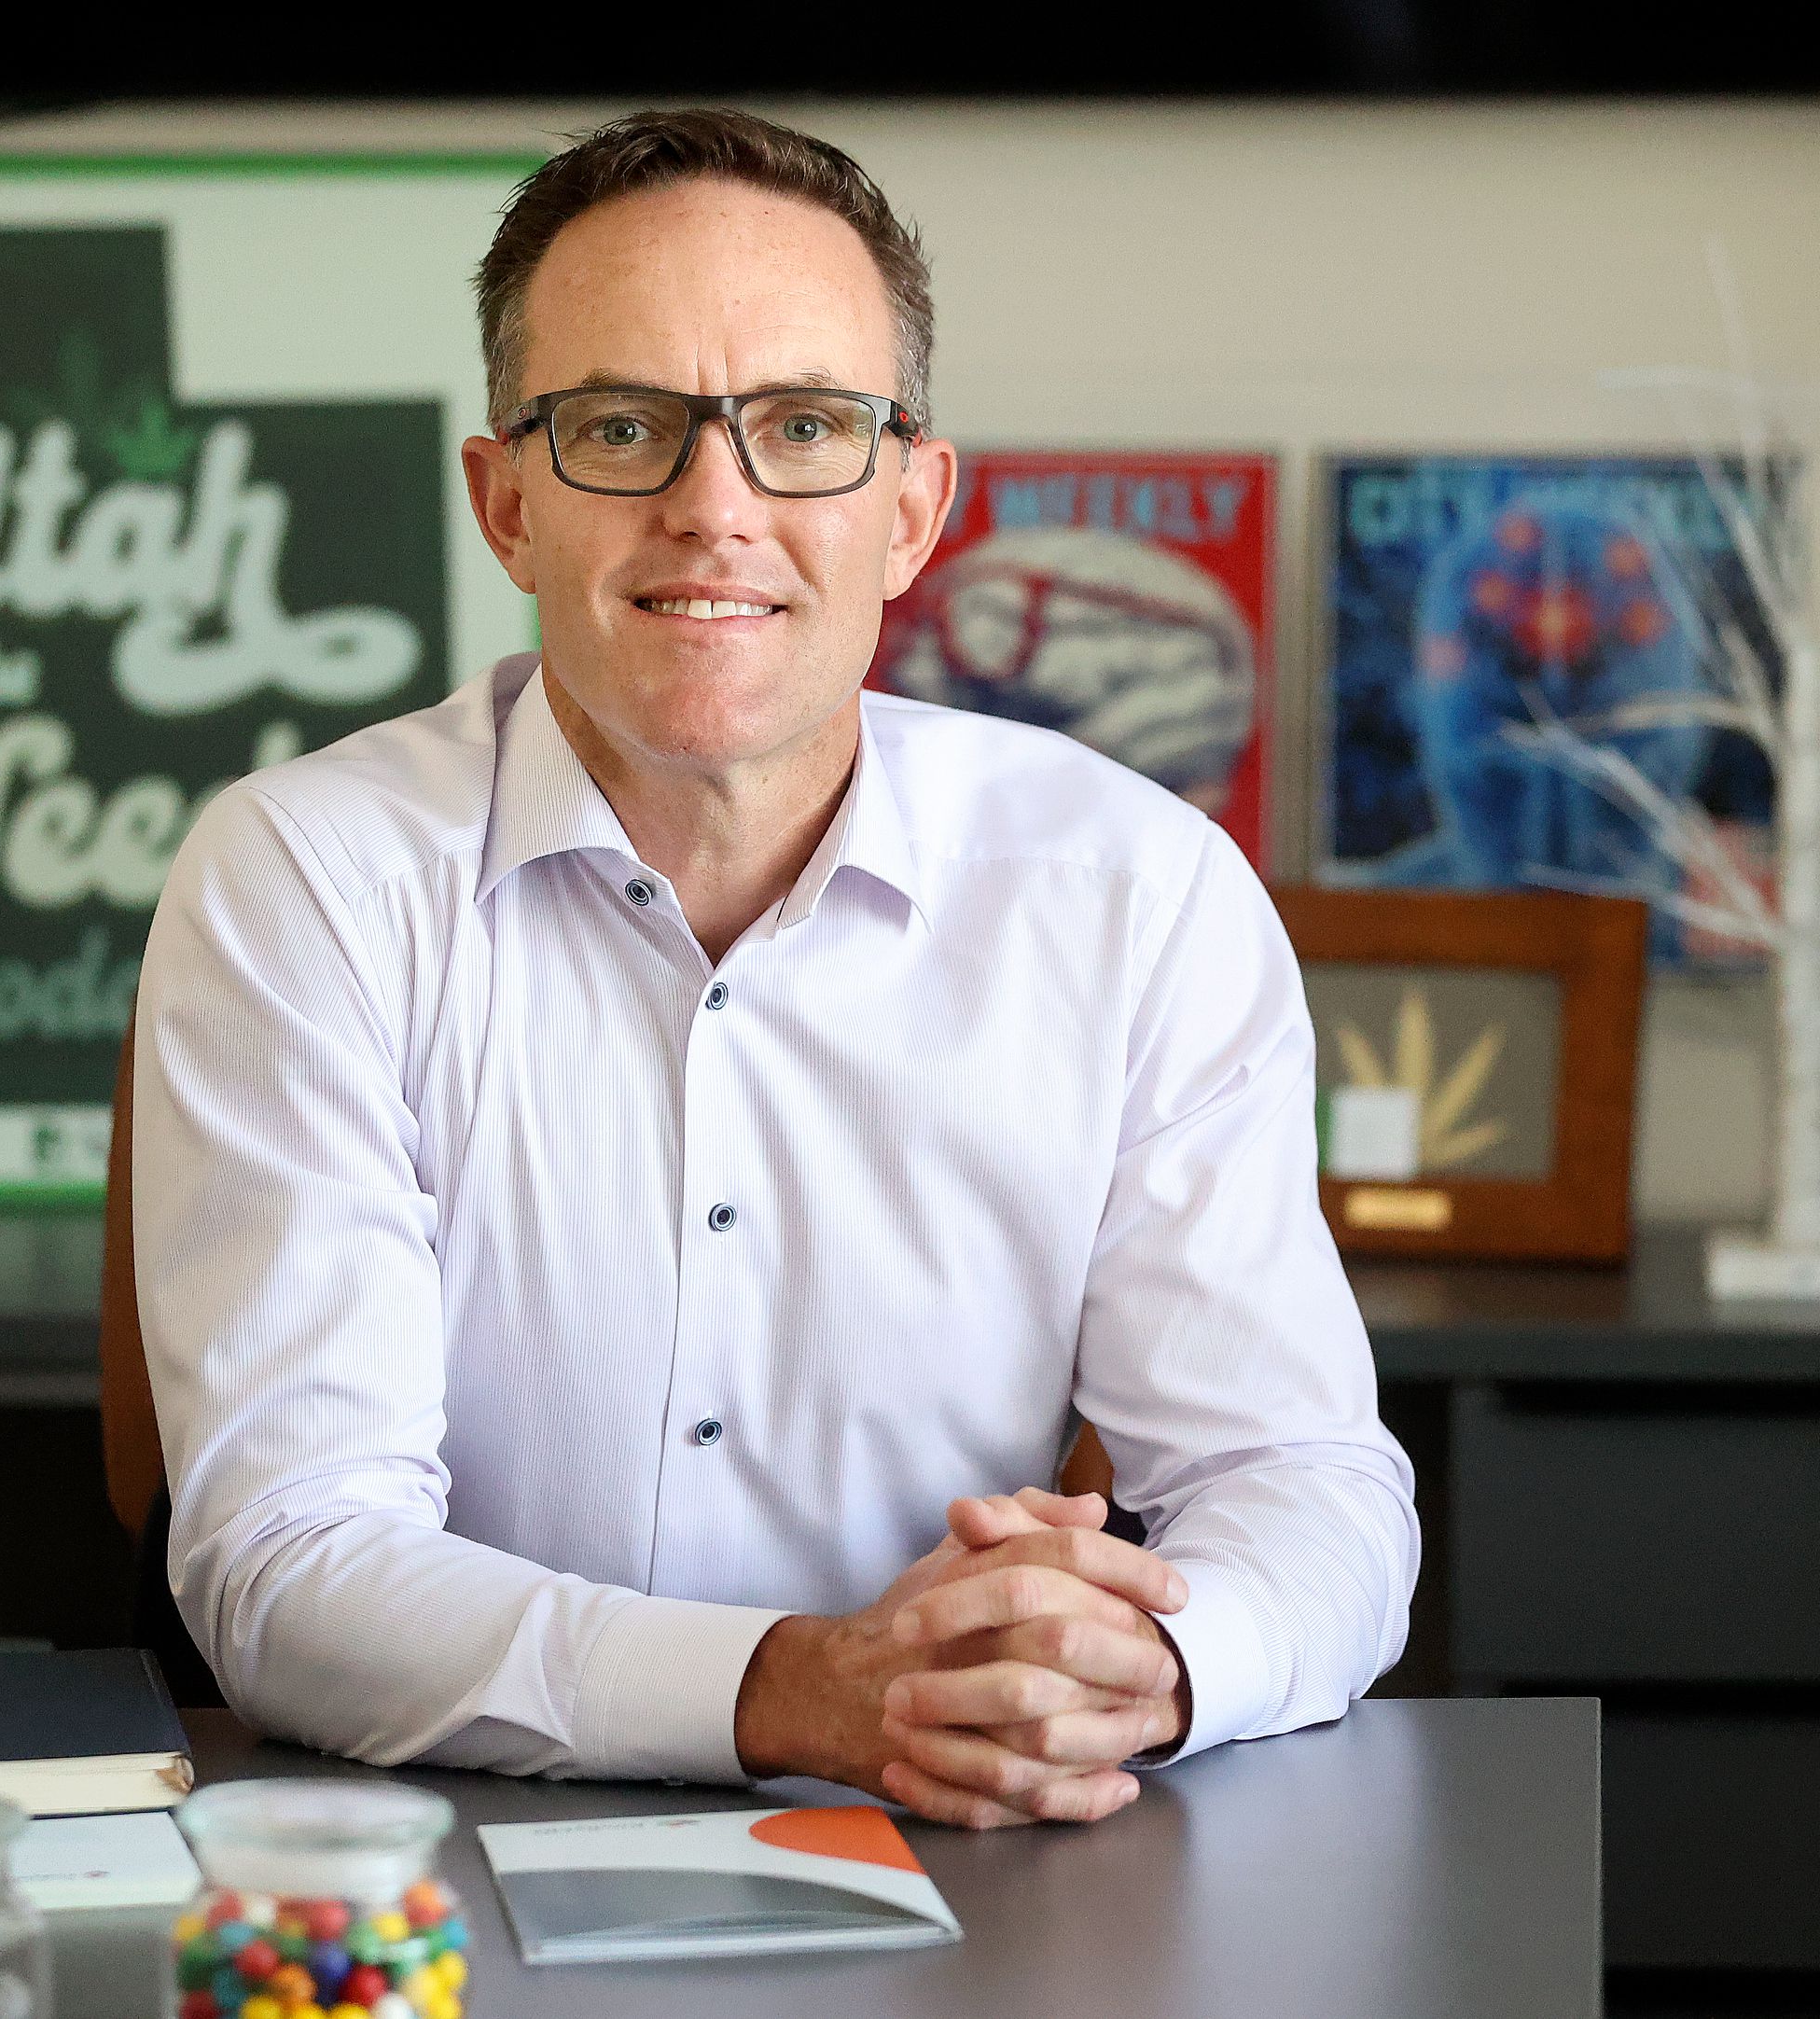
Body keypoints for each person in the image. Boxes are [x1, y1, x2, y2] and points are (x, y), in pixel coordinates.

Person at [132, 108, 1417, 1831]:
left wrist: (1150, 1670)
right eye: (621, 430)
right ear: (506, 505)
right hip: (447, 1855)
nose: (711, 510)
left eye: (804, 427)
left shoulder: (1138, 894)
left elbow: (1303, 1482)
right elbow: (289, 1562)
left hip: (982, 1842)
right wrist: (794, 1690)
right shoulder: (310, 876)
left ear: (912, 508)